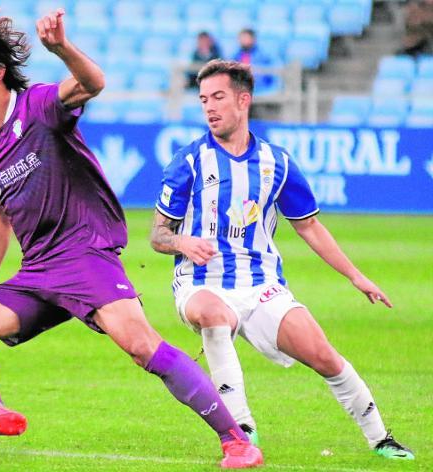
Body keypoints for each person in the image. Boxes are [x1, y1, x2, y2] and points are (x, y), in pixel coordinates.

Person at [0, 10, 263, 469]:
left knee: (141, 345)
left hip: (86, 253)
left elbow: (93, 81)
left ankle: (236, 440)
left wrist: (61, 49)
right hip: (39, 270)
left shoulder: (40, 106)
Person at [150, 59, 414, 460]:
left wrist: (356, 277)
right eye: (203, 99)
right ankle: (241, 431)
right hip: (201, 283)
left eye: (218, 97)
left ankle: (381, 439)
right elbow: (157, 235)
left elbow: (309, 227)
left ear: (244, 100)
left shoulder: (278, 163)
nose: (209, 107)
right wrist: (183, 243)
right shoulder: (188, 162)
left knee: (325, 356)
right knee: (214, 315)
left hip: (261, 285)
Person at [232, 29, 277, 95]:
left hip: (261, 91)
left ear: (253, 39)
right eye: (241, 38)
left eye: (246, 38)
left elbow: (272, 73)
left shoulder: (264, 55)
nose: (243, 40)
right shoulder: (235, 56)